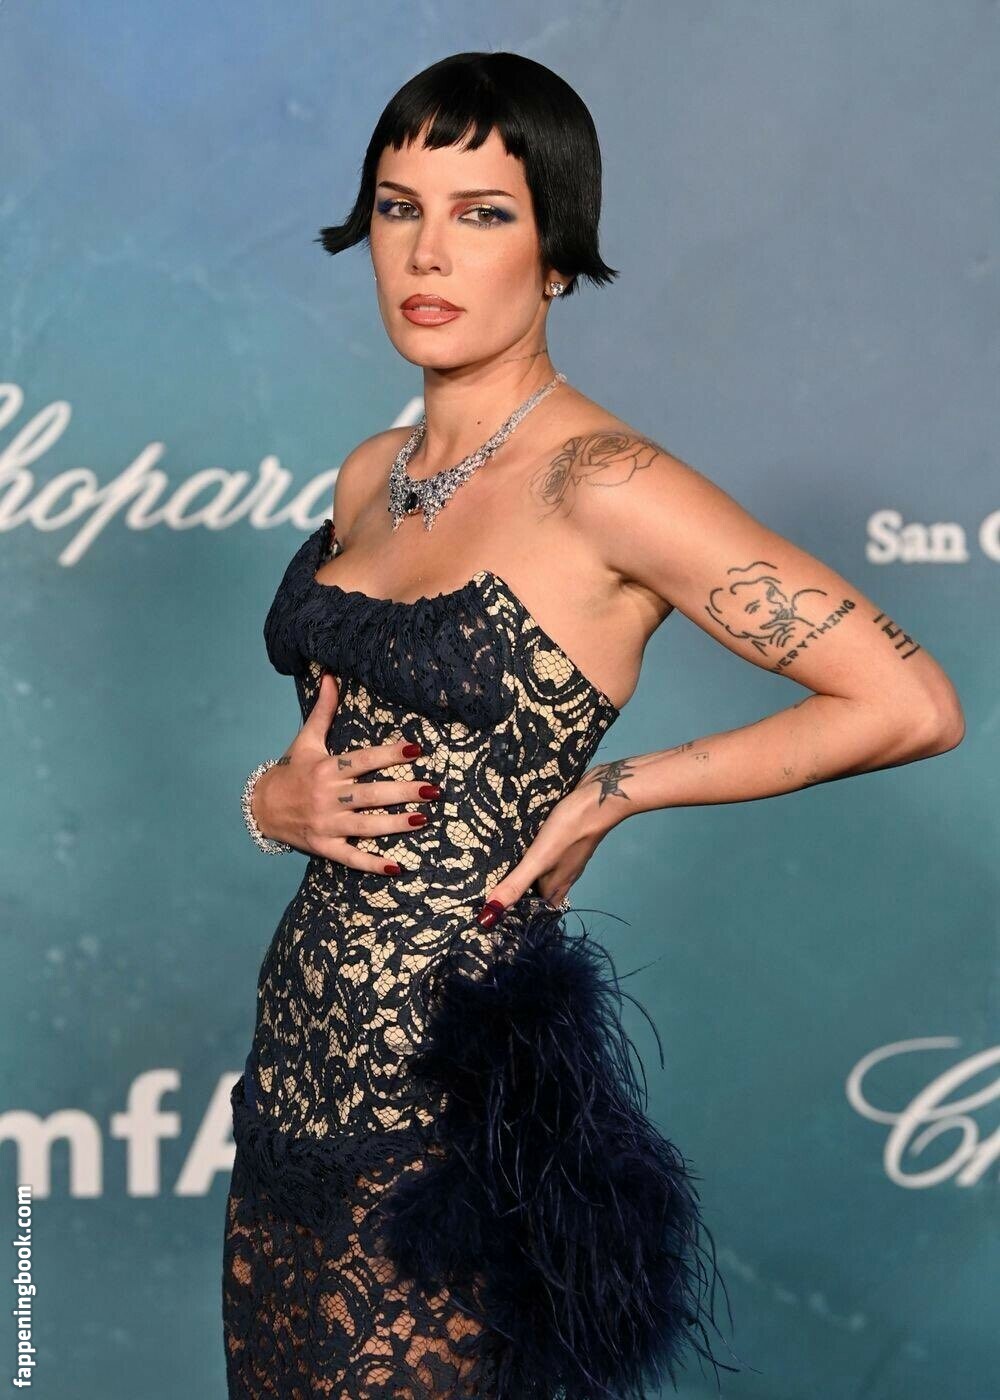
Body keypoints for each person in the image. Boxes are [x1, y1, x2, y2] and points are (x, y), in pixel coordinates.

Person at [221, 50, 965, 1400]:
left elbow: (908, 701)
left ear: (556, 253)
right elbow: (336, 739)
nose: (428, 252)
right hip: (290, 1083)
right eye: (399, 208)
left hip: (444, 1116)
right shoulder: (373, 473)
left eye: (482, 213)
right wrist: (273, 801)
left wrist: (620, 789)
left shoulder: (602, 482)